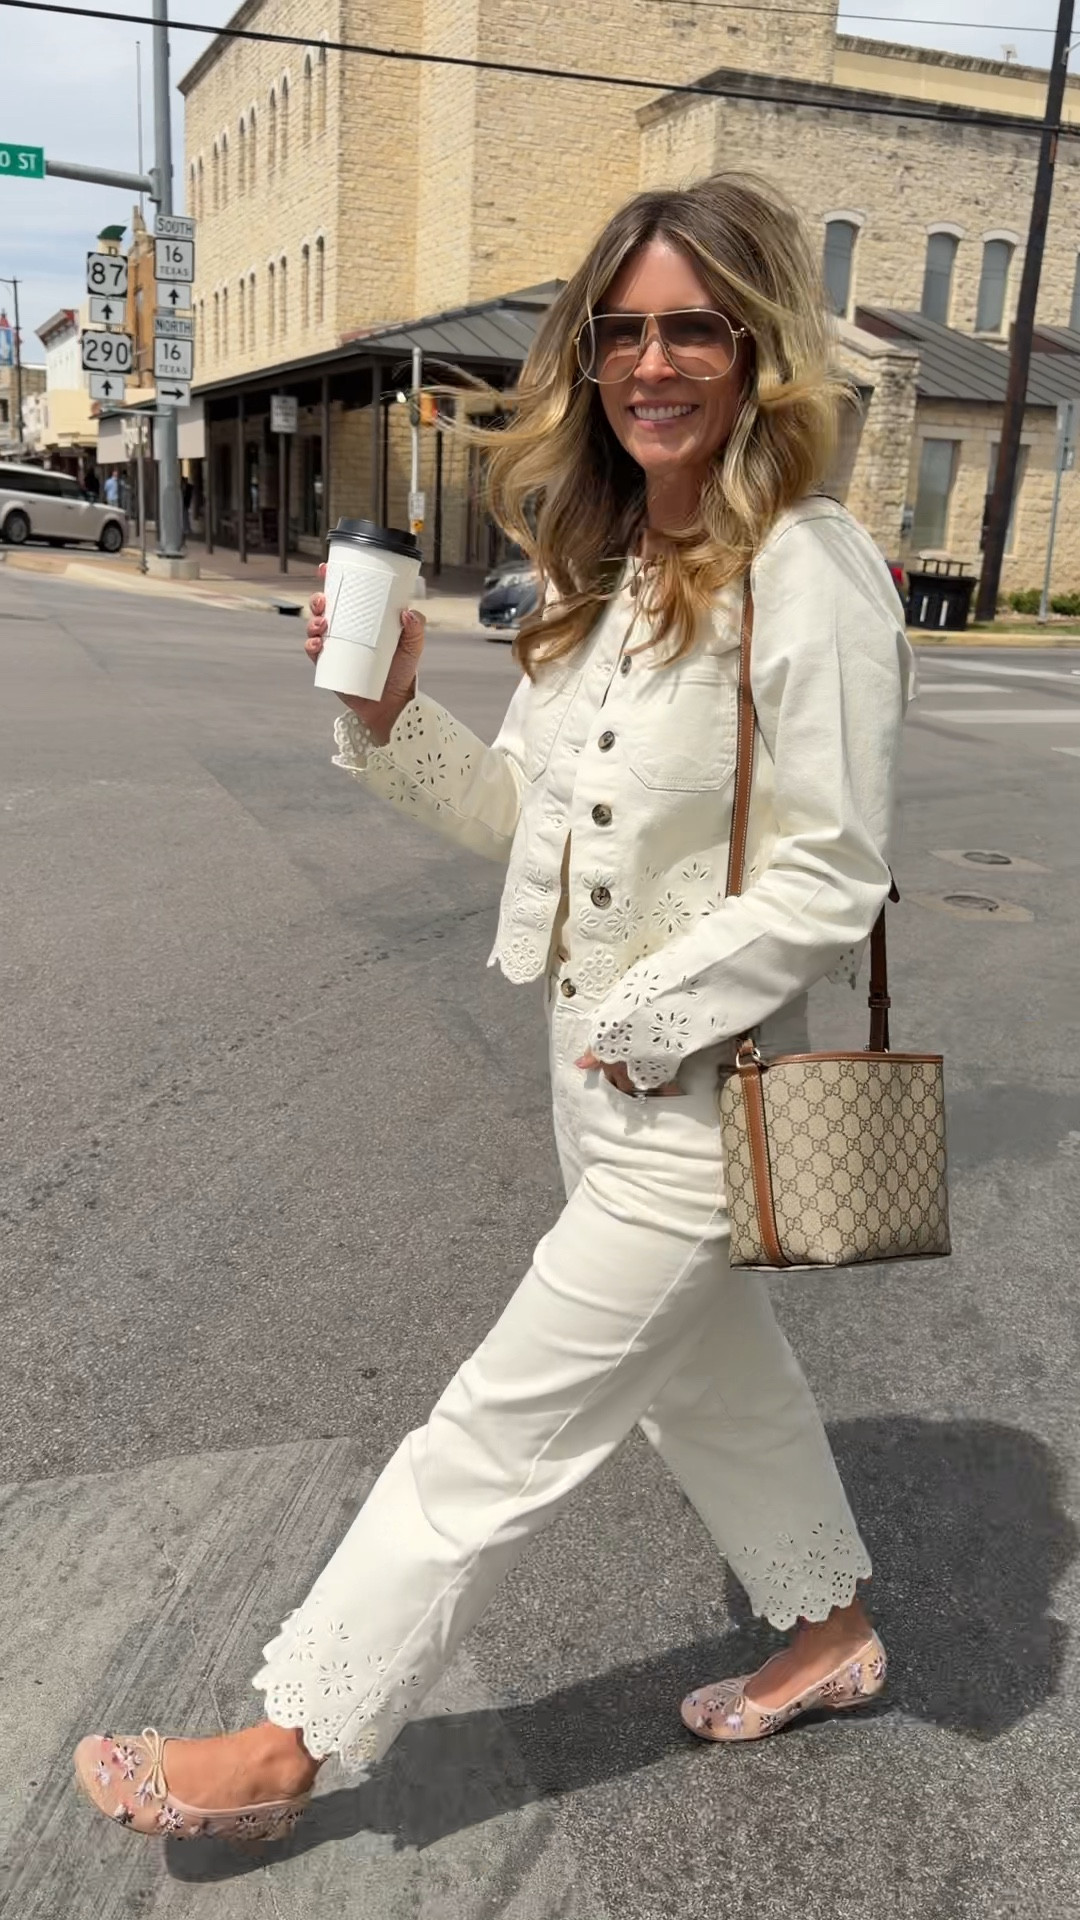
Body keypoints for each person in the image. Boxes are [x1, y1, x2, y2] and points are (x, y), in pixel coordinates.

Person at [74, 171, 912, 1845]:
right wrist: (390, 717)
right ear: (588, 356)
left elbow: (834, 874)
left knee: (491, 1433)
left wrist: (650, 1013)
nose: (654, 364)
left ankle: (291, 1740)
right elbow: (529, 826)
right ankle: (828, 1632)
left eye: (695, 329)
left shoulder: (809, 572)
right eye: (624, 332)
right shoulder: (609, 565)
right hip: (595, 1079)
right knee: (705, 1378)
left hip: (701, 1089)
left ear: (761, 354)